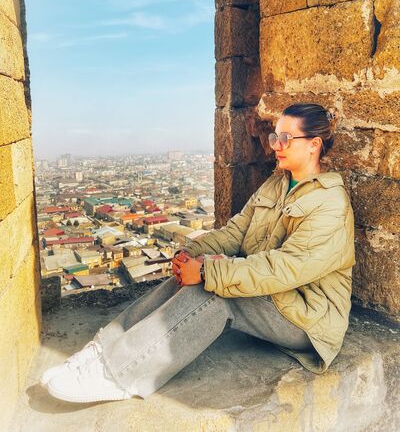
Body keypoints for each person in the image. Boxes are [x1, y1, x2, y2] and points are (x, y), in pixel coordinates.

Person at [40, 103, 355, 403]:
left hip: (308, 318)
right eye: (275, 137)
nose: (276, 145)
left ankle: (119, 373)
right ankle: (104, 348)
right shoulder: (275, 185)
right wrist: (190, 254)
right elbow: (234, 233)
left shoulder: (330, 202)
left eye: (286, 138)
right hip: (273, 295)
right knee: (191, 278)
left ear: (313, 145)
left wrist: (206, 272)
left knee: (214, 291)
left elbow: (284, 268)